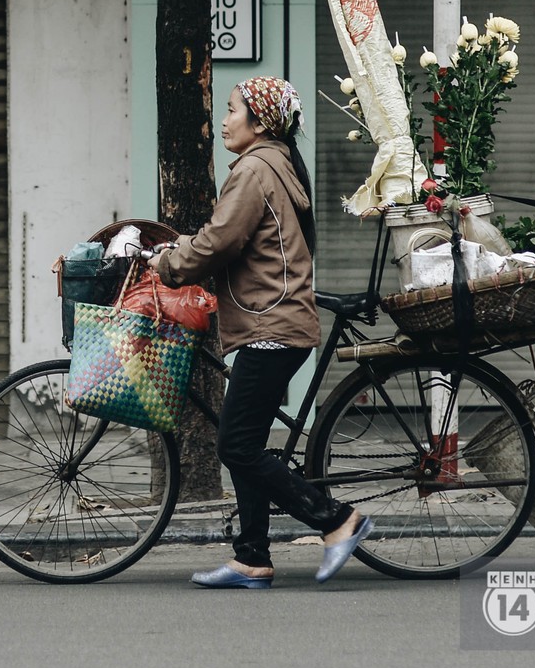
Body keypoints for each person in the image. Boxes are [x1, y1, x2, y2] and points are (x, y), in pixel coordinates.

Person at [152, 75, 372, 588]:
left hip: (270, 323)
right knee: (245, 439)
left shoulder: (254, 168)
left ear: (260, 121)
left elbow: (220, 242)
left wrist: (166, 265)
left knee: (236, 446)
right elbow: (228, 237)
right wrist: (184, 248)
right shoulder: (274, 163)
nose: (224, 121)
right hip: (270, 318)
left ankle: (337, 519)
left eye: (231, 110)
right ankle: (252, 556)